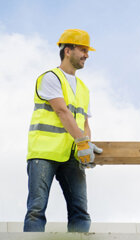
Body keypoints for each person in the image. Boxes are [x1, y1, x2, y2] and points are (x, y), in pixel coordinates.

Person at [24, 29, 102, 232]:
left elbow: (84, 122)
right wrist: (83, 143)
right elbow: (62, 111)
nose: (87, 55)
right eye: (83, 50)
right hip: (44, 153)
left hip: (71, 155)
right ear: (68, 50)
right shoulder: (50, 78)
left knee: (80, 211)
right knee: (36, 210)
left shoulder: (84, 88)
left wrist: (86, 151)